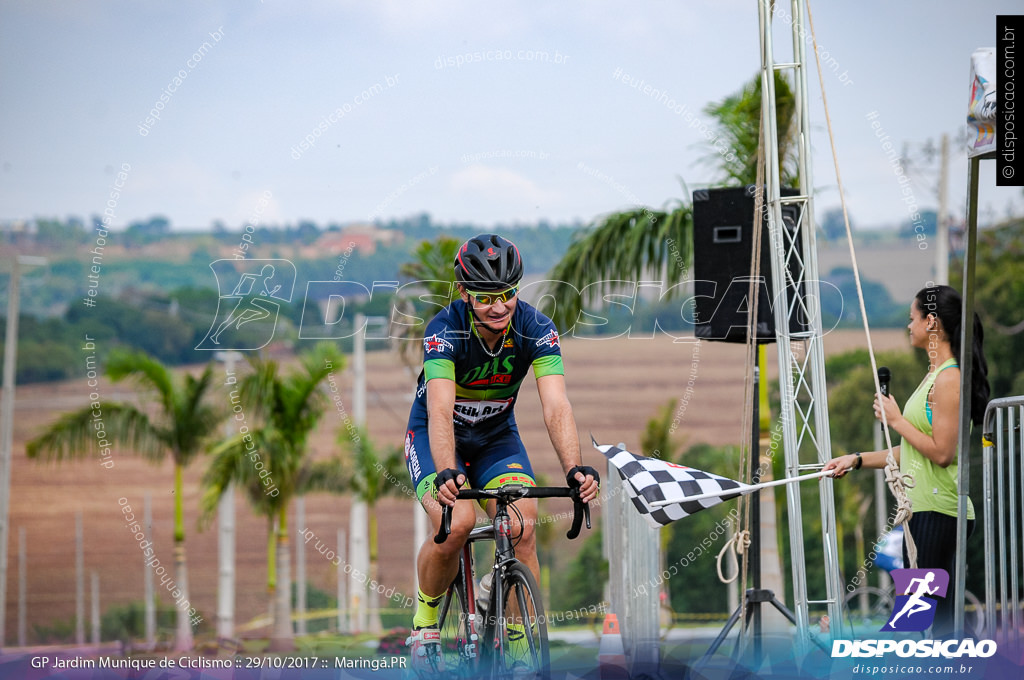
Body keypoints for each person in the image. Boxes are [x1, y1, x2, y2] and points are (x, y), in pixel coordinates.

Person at [403, 234, 600, 671]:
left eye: (507, 295)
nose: (499, 306)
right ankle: (426, 620)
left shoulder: (536, 328)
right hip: (437, 436)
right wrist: (448, 471)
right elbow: (439, 410)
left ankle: (515, 642)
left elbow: (556, 405)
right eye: (486, 297)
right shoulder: (444, 331)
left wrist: (574, 469)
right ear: (463, 293)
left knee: (521, 526)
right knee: (457, 525)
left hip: (495, 438)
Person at [824, 284, 989, 637]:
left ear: (931, 322)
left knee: (915, 621)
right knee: (938, 623)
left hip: (938, 513)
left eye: (911, 318)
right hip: (926, 512)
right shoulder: (935, 376)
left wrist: (896, 420)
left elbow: (942, 453)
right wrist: (855, 460)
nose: (908, 325)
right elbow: (914, 449)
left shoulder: (948, 378)